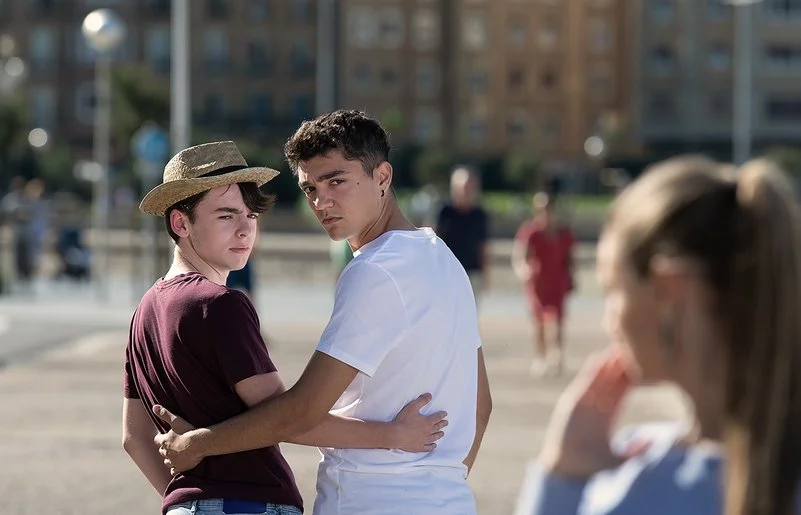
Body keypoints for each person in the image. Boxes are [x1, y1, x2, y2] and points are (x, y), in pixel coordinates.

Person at [154, 111, 493, 515]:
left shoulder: (376, 270)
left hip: (370, 501)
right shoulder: (445, 260)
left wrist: (197, 444)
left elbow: (301, 412)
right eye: (309, 188)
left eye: (336, 181)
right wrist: (440, 484)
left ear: (382, 177)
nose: (321, 201)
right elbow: (481, 407)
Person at [517, 156, 801, 515]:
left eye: (612, 292)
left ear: (669, 291)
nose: (609, 323)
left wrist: (562, 478)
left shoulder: (640, 489)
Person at [512, 192, 575, 376]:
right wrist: (523, 270)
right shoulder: (531, 232)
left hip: (558, 279)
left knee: (558, 318)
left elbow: (570, 258)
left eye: (549, 209)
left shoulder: (564, 233)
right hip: (538, 282)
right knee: (539, 319)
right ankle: (540, 356)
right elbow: (520, 255)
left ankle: (557, 354)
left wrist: (572, 277)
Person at [435, 166, 490, 304]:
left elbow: (482, 245)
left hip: (472, 272)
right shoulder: (444, 212)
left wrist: (485, 272)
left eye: (471, 187)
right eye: (464, 187)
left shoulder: (479, 215)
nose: (467, 191)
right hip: (447, 271)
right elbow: (432, 241)